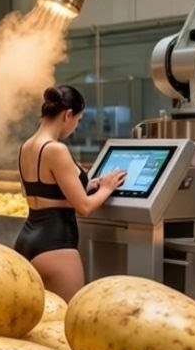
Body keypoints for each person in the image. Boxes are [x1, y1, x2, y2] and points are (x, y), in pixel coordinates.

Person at [15, 85, 125, 301]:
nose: (76, 127)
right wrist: (107, 188)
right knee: (65, 322)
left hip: (27, 241)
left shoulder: (27, 147)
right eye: (79, 120)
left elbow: (46, 191)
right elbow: (84, 207)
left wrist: (88, 184)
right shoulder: (56, 149)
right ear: (68, 115)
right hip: (56, 246)